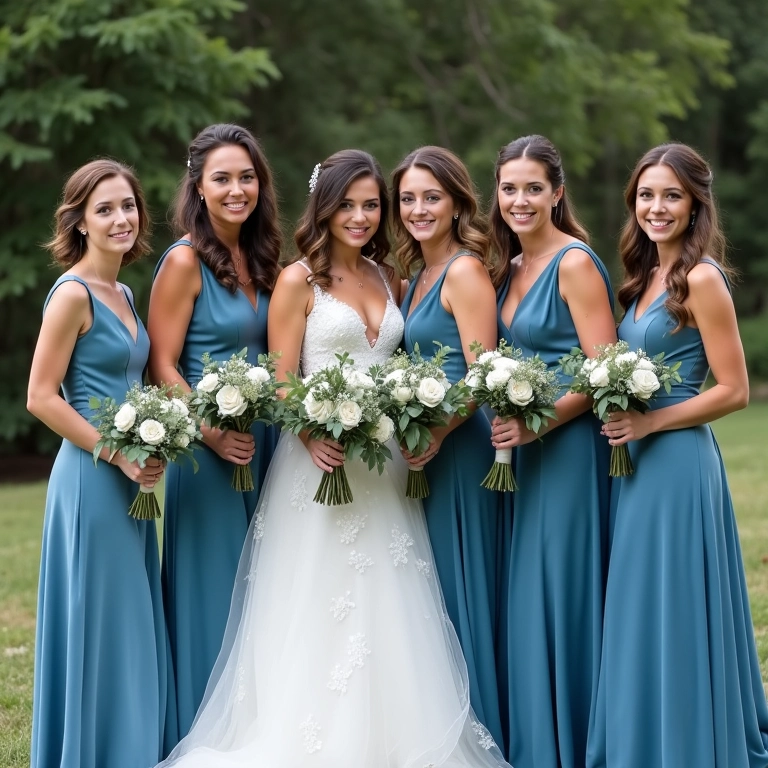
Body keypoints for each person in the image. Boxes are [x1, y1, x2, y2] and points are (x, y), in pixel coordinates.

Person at [156, 149, 509, 767]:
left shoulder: (388, 277)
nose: (361, 216)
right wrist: (313, 433)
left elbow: (405, 368)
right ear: (324, 207)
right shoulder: (299, 280)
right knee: (320, 606)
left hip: (390, 469)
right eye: (347, 204)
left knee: (393, 604)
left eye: (372, 205)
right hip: (319, 465)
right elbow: (284, 380)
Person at [588, 143, 768, 768]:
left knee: (674, 604)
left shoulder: (700, 278)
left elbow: (735, 389)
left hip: (678, 463)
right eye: (646, 194)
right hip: (637, 466)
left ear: (696, 206)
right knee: (639, 604)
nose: (656, 207)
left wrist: (650, 421)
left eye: (671, 196)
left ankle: (686, 741)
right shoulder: (643, 280)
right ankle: (645, 737)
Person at [27, 159, 172, 767]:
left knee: (129, 619)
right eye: (104, 209)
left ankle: (128, 747)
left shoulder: (126, 293)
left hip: (132, 479)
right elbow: (40, 396)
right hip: (90, 481)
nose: (120, 218)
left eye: (128, 206)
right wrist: (116, 453)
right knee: (100, 619)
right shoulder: (73, 294)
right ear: (81, 221)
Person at [147, 123, 281, 741]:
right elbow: (162, 364)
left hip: (269, 445)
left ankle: (262, 725)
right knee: (218, 589)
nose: (236, 189)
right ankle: (204, 735)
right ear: (198, 188)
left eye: (246, 177)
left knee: (270, 588)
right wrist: (209, 433)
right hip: (208, 453)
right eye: (222, 178)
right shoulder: (184, 261)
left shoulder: (265, 257)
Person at [490, 135, 616, 768]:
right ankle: (539, 741)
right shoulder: (508, 268)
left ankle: (578, 740)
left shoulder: (575, 263)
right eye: (509, 188)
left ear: (556, 193)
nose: (519, 200)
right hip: (522, 457)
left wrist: (538, 425)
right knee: (527, 596)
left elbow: (603, 374)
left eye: (533, 188)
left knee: (562, 592)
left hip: (566, 453)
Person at [395, 145, 508, 751]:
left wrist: (437, 431)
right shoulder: (414, 278)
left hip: (460, 451)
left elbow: (482, 370)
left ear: (458, 201)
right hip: (428, 456)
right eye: (408, 198)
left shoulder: (464, 270)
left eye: (431, 197)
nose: (418, 209)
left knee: (462, 590)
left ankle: (482, 731)